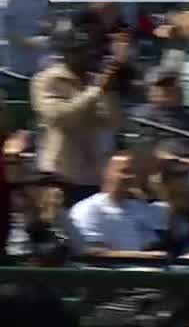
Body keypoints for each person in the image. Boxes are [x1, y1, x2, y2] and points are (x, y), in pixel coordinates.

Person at [32, 20, 126, 206]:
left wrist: (110, 92)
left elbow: (113, 123)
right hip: (60, 175)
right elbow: (60, 117)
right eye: (78, 50)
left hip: (93, 177)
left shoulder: (94, 80)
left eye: (87, 48)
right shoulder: (46, 80)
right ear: (65, 53)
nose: (86, 54)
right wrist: (96, 90)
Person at [68, 153, 164, 258]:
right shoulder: (89, 209)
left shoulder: (138, 207)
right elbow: (92, 253)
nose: (131, 177)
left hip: (146, 268)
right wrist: (141, 256)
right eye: (125, 171)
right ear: (107, 173)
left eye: (134, 172)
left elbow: (150, 245)